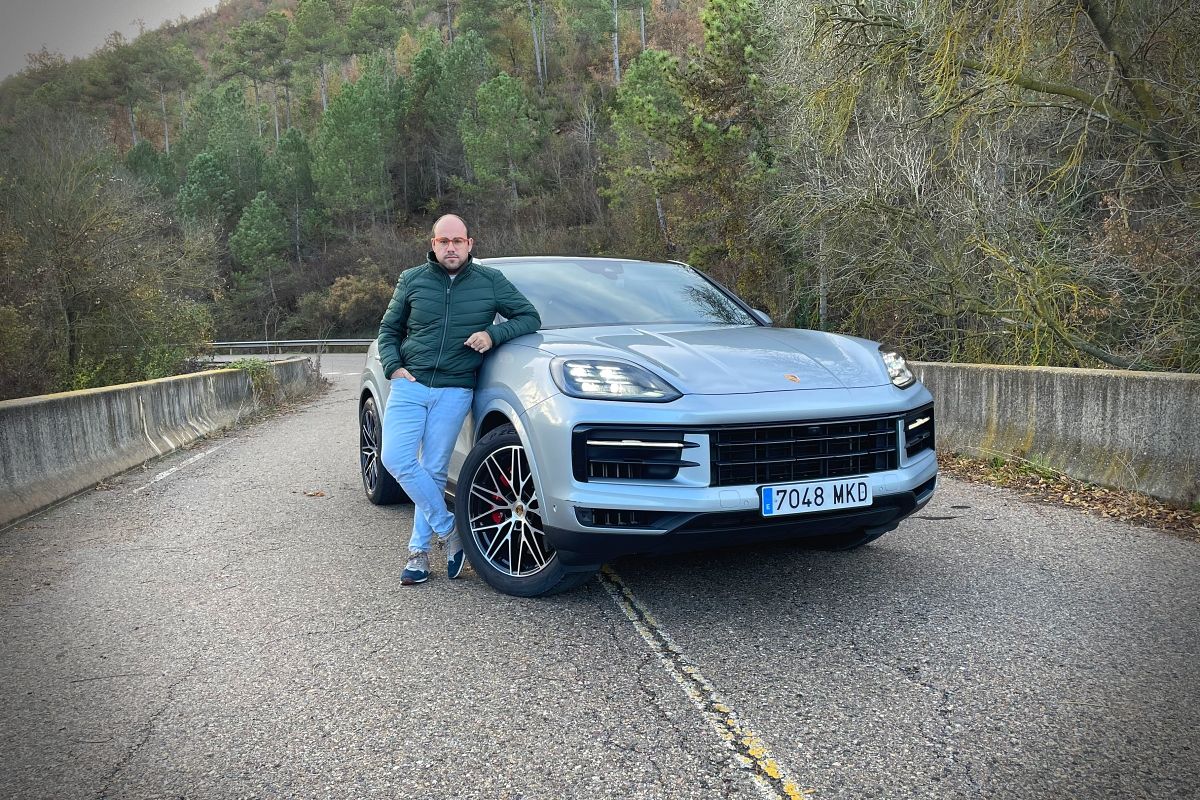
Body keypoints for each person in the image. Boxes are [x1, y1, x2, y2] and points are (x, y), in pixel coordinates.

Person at [377, 214, 541, 586]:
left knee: (433, 469)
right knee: (396, 458)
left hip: (454, 388)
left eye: (457, 241)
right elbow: (389, 330)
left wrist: (493, 334)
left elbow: (530, 316)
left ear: (470, 243)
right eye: (443, 241)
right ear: (433, 245)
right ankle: (452, 530)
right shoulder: (412, 280)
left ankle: (418, 554)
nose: (451, 247)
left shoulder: (491, 282)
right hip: (411, 383)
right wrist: (394, 367)